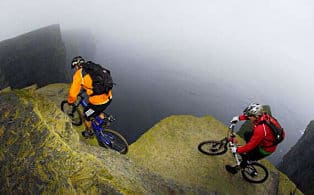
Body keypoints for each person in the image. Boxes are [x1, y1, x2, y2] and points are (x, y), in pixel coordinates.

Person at [225, 103, 278, 174]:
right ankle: (248, 152)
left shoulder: (260, 129)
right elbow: (249, 116)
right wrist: (238, 118)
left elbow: (251, 146)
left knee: (245, 155)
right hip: (266, 140)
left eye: (250, 115)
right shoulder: (262, 116)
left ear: (256, 116)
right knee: (247, 134)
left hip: (265, 149)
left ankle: (236, 169)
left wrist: (237, 150)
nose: (248, 117)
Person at [67, 56, 112, 138]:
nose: (75, 69)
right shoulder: (93, 68)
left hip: (98, 102)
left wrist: (70, 101)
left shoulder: (79, 74)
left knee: (86, 115)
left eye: (75, 67)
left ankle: (89, 132)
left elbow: (73, 93)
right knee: (97, 110)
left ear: (77, 66)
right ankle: (102, 121)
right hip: (108, 96)